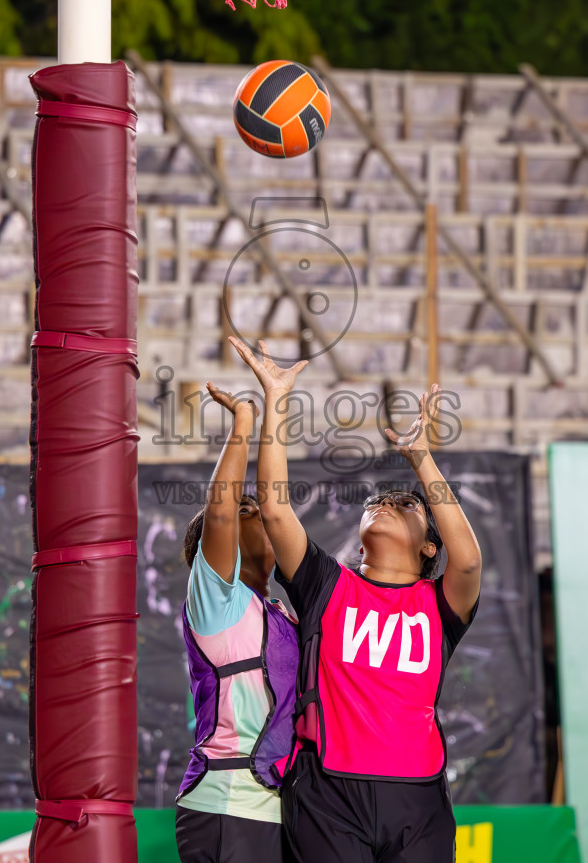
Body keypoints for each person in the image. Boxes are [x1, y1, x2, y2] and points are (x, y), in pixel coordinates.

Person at [229, 334, 482, 863]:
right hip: (328, 793)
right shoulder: (327, 584)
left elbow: (470, 562)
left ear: (428, 545)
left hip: (417, 796)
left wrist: (422, 461)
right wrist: (277, 398)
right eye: (379, 499)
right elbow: (275, 512)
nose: (386, 503)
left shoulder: (438, 604)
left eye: (404, 504)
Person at [175, 380, 299, 863]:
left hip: (282, 807)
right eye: (249, 509)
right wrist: (246, 420)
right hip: (229, 802)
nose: (261, 515)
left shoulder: (283, 614)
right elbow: (220, 515)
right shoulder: (217, 601)